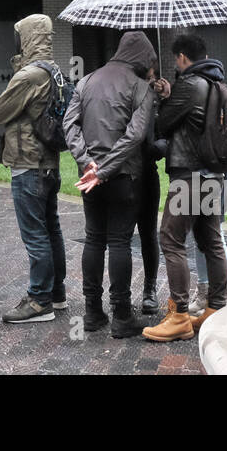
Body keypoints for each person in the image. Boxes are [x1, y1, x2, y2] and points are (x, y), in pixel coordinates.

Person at [64, 31, 158, 338]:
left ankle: (92, 313)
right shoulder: (140, 87)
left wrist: (86, 161)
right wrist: (104, 169)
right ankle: (121, 318)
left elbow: (70, 124)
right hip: (123, 176)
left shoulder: (86, 80)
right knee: (118, 242)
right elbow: (136, 136)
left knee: (94, 239)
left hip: (90, 175)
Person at [142, 33, 227, 342]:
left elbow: (163, 123)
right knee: (211, 240)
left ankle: (178, 315)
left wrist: (165, 96)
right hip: (213, 175)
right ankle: (217, 309)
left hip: (189, 176)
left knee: (171, 239)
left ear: (181, 57)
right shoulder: (218, 83)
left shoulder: (189, 84)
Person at [0, 13, 67, 323]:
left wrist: (18, 68)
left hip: (28, 164)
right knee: (52, 230)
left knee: (35, 235)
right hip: (49, 163)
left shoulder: (29, 75)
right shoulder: (55, 70)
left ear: (28, 39)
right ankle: (56, 294)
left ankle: (38, 301)